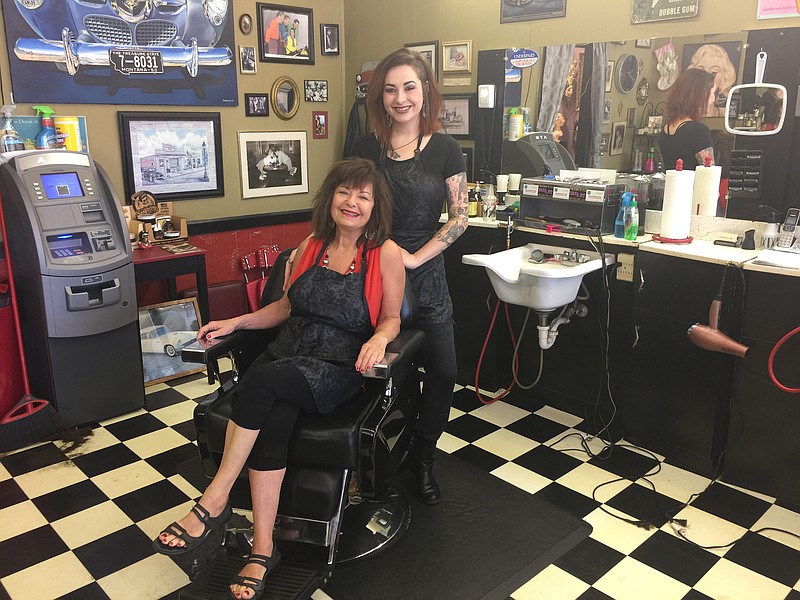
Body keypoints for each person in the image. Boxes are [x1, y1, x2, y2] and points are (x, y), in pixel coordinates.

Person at [153, 158, 405, 600]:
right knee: (276, 418)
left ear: (374, 207)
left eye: (363, 196)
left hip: (338, 365)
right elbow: (286, 309)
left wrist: (380, 340)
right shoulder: (310, 245)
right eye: (345, 192)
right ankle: (264, 550)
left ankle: (214, 500)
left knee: (264, 382)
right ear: (331, 198)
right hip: (289, 353)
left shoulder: (384, 253)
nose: (352, 202)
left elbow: (390, 318)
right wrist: (236, 321)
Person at [353, 48, 469, 505]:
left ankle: (422, 458)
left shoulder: (445, 149)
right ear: (380, 96)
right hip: (375, 275)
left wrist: (417, 258)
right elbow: (352, 206)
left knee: (443, 372)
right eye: (390, 89)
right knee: (381, 372)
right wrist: (379, 250)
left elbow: (459, 219)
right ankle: (376, 458)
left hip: (427, 277)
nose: (400, 98)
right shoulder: (365, 147)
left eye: (409, 87)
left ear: (425, 92)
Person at [658, 68, 717, 170]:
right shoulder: (699, 131)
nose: (714, 99)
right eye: (712, 93)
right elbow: (708, 172)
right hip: (693, 186)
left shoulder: (666, 129)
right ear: (701, 94)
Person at [688, 44, 737, 117]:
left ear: (724, 77)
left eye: (713, 72)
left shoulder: (726, 115)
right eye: (701, 70)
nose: (706, 77)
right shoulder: (682, 117)